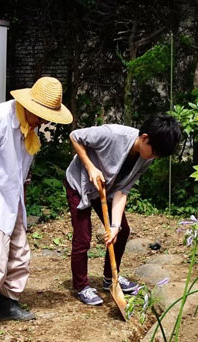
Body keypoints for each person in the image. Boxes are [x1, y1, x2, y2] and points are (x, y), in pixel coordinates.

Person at [0, 77, 73, 337]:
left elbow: (24, 170)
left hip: (13, 200)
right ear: (29, 106)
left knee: (20, 256)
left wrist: (24, 196)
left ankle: (8, 303)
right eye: (41, 115)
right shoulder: (2, 118)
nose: (44, 122)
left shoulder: (29, 129)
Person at [64, 115, 182, 306]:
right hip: (80, 185)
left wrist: (115, 226)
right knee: (83, 237)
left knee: (122, 231)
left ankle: (111, 279)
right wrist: (91, 168)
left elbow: (122, 190)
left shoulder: (145, 159)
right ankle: (81, 286)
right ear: (144, 138)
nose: (154, 157)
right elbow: (75, 135)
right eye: (154, 152)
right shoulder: (112, 135)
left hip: (106, 190)